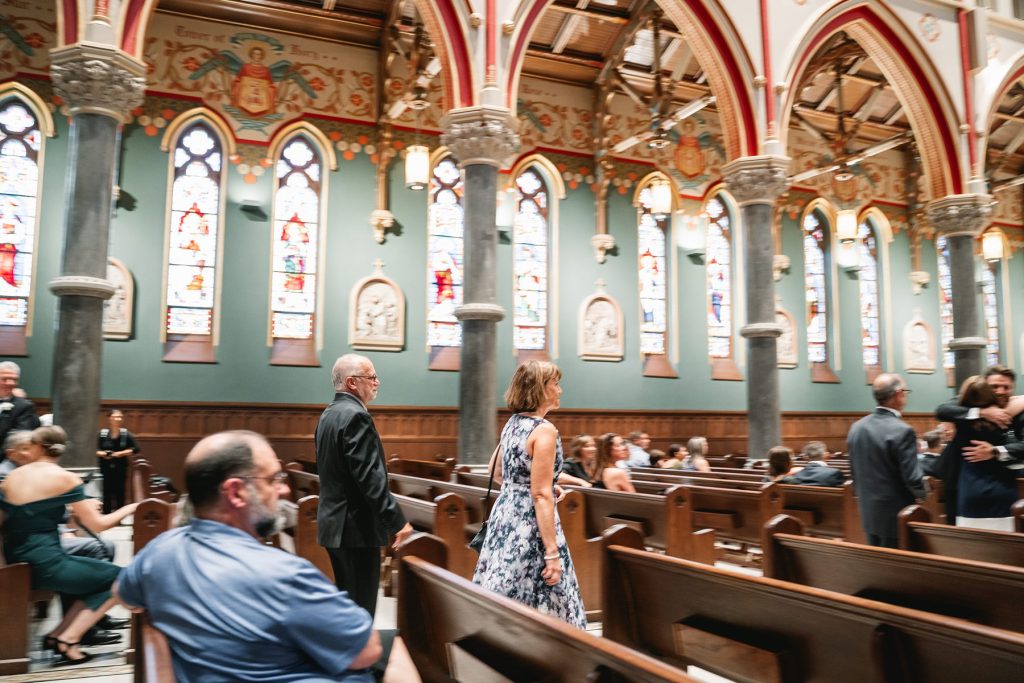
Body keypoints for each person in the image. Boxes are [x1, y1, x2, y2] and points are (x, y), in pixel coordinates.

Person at [116, 431, 417, 682]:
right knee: (389, 645)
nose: (284, 489)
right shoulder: (282, 573)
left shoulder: (159, 550)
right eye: (273, 478)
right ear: (235, 492)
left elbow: (124, 595)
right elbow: (366, 651)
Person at [0, 425, 136, 665]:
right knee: (122, 578)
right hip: (47, 563)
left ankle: (57, 636)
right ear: (60, 449)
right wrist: (132, 507)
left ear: (37, 446)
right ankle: (69, 639)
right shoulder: (65, 478)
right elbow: (99, 525)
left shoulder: (13, 476)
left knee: (94, 576)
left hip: (16, 557)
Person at [473, 361, 586, 628]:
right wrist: (551, 553)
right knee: (546, 582)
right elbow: (540, 496)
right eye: (554, 384)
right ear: (541, 390)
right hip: (529, 521)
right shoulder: (544, 430)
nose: (559, 390)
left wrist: (533, 484)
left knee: (505, 582)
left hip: (506, 513)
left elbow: (496, 471)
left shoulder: (513, 423)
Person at [316, 354, 412, 617]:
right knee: (361, 606)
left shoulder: (329, 414)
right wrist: (397, 521)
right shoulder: (356, 416)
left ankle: (346, 654)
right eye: (371, 377)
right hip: (355, 529)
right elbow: (370, 478)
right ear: (351, 382)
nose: (377, 382)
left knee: (347, 602)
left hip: (335, 524)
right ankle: (358, 656)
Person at [935, 365, 1024, 522]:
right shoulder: (969, 404)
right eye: (994, 386)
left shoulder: (1018, 410)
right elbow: (942, 410)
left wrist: (995, 450)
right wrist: (981, 413)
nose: (1001, 391)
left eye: (1006, 387)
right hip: (959, 482)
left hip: (1003, 482)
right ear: (984, 386)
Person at [847, 374, 926, 548]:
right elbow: (912, 478)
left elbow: (854, 470)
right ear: (898, 394)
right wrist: (926, 495)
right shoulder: (902, 430)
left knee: (879, 565)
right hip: (897, 514)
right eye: (905, 392)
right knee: (899, 568)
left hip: (868, 511)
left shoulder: (857, 427)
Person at [96, 410, 140, 513]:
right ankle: (106, 513)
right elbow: (93, 449)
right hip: (105, 466)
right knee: (106, 490)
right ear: (109, 418)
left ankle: (120, 515)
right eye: (116, 417)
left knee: (120, 491)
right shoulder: (102, 434)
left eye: (120, 417)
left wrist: (120, 453)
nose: (119, 419)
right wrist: (102, 454)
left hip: (121, 467)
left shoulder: (125, 434)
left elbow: (136, 449)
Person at [0, 361, 40, 463]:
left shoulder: (23, 406)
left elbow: (19, 441)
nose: (10, 383)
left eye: (14, 379)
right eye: (5, 379)